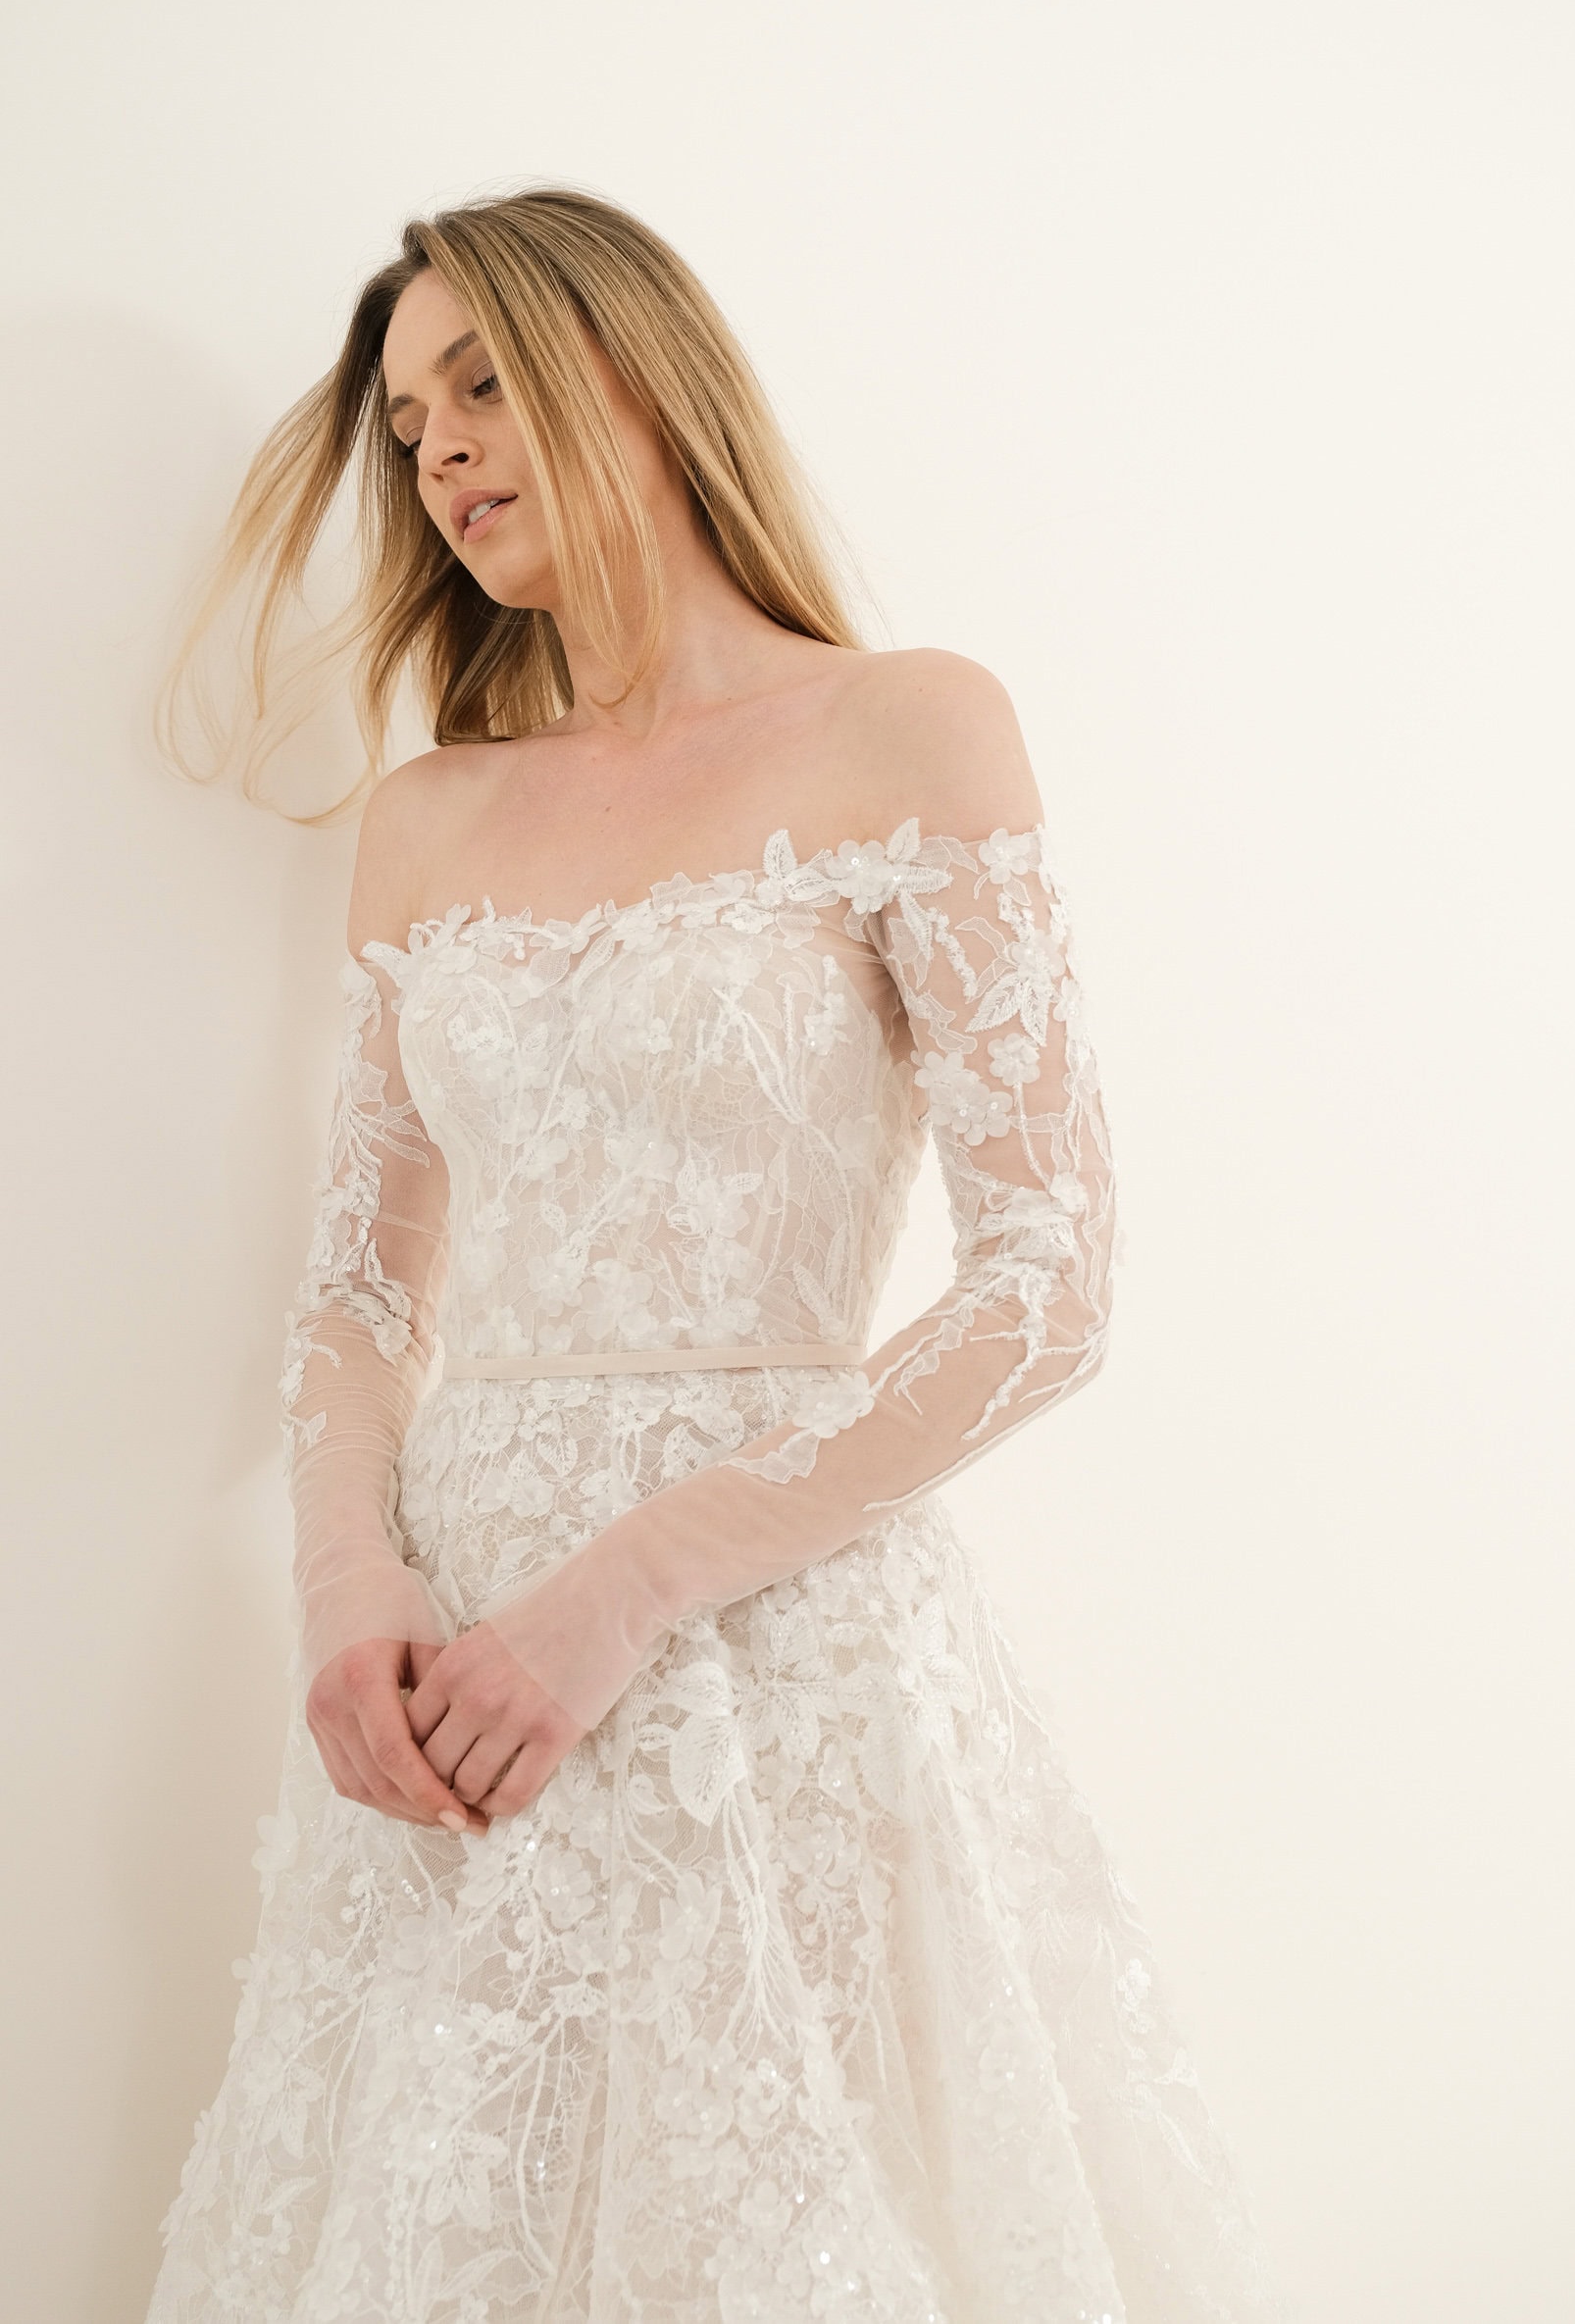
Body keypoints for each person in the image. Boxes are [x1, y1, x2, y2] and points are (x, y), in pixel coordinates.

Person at [148, 187, 1287, 2322]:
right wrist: (346, 1583)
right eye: (405, 424)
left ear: (643, 372)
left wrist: (629, 1586)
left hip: (772, 1655)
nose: (441, 448)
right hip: (449, 1684)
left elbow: (1049, 1277)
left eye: (483, 380)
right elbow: (363, 1293)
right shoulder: (429, 817)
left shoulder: (907, 729)